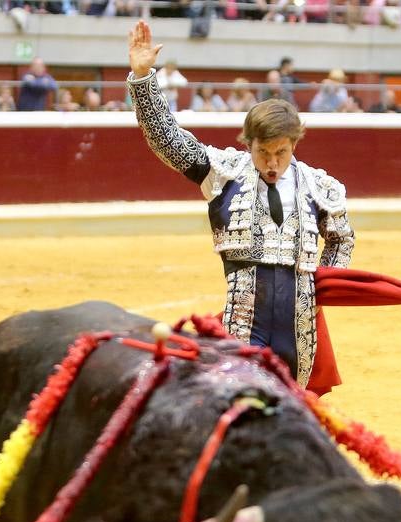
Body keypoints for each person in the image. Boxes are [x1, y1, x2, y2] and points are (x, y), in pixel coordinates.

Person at [127, 20, 355, 392]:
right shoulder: (224, 173)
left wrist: (321, 286)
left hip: (300, 329)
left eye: (281, 152)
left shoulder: (319, 185)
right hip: (244, 323)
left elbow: (341, 238)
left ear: (294, 144)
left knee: (293, 407)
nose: (271, 162)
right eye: (262, 152)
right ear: (247, 143)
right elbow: (168, 140)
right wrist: (143, 79)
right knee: (237, 405)